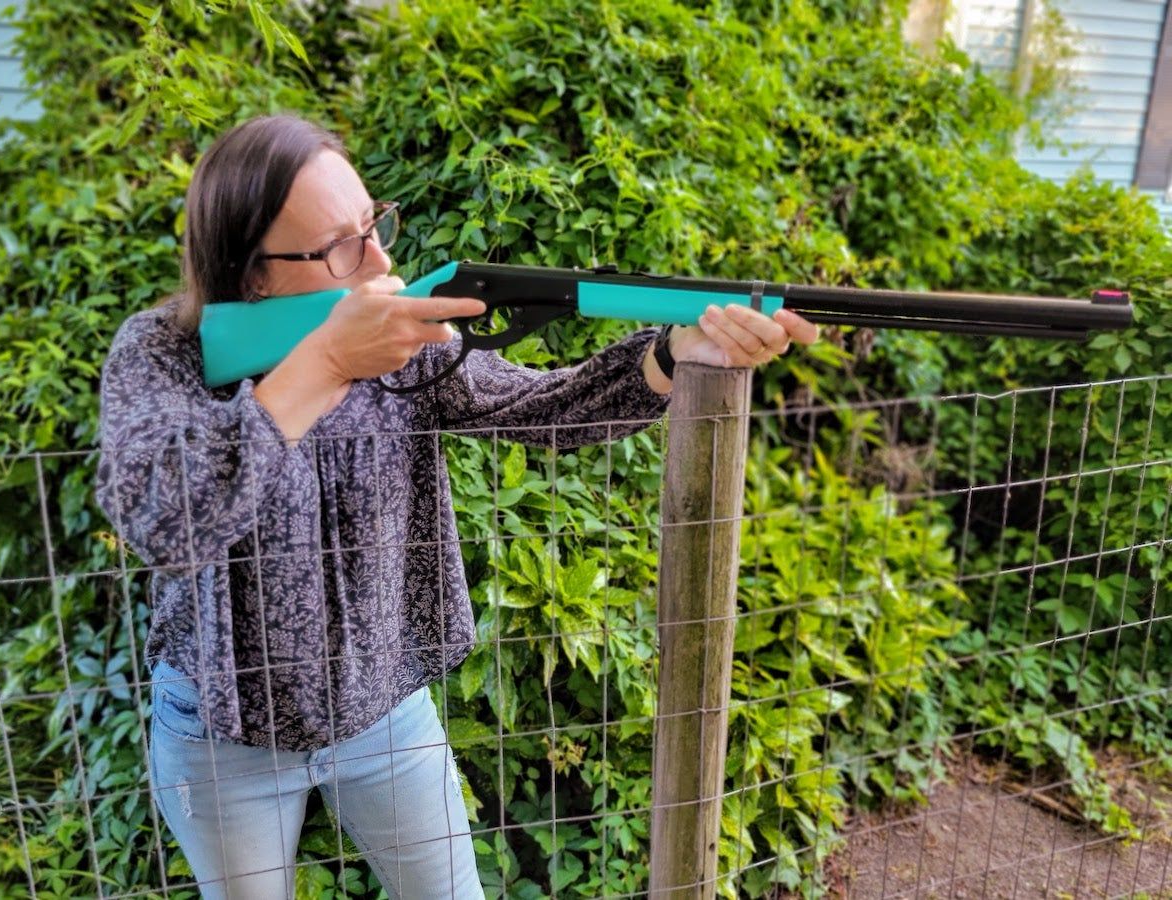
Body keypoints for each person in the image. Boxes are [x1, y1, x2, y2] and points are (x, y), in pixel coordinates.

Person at [94, 113, 817, 900]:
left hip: (385, 710)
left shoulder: (406, 341)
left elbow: (545, 408)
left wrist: (675, 353)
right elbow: (161, 521)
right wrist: (326, 361)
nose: (380, 262)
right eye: (341, 245)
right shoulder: (160, 352)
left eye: (375, 225)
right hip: (221, 728)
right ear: (253, 275)